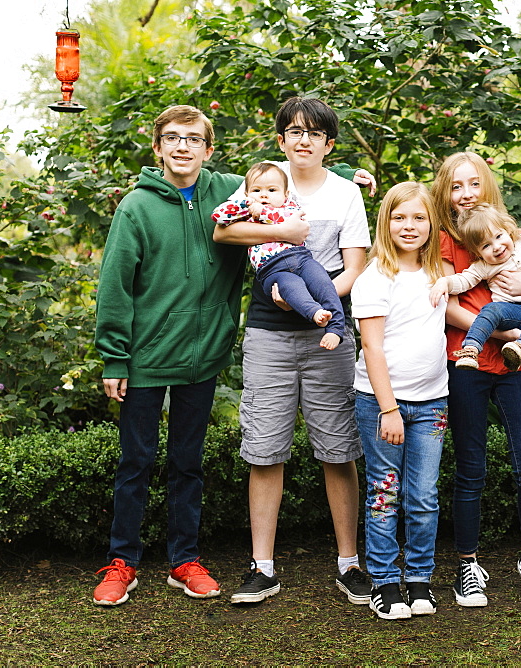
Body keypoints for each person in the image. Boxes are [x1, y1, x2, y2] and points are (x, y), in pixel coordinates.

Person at [92, 105, 279, 606]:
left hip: (204, 355)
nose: (182, 146)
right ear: (157, 148)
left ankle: (184, 560)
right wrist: (114, 357)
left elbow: (284, 181)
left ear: (208, 149)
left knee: (187, 462)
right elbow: (115, 285)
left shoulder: (229, 193)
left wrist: (348, 173)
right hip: (145, 358)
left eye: (193, 139)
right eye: (172, 138)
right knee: (136, 462)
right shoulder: (136, 206)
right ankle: (122, 562)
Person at [212, 97, 373, 605]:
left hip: (327, 329)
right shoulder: (261, 179)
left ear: (329, 144)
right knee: (264, 449)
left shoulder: (347, 193)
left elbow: (355, 267)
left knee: (339, 447)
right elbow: (223, 228)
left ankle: (350, 562)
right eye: (294, 131)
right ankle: (262, 566)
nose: (304, 140)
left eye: (315, 133)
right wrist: (281, 232)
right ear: (280, 139)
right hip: (266, 332)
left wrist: (314, 303)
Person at [431, 151, 521, 607]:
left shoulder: (513, 237)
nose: (466, 194)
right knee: (471, 468)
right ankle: (467, 565)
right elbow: (448, 303)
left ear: (487, 187)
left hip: (517, 365)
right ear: (444, 193)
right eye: (456, 186)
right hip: (468, 361)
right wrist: (507, 331)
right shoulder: (443, 241)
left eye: (473, 184)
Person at [352, 182, 448, 620]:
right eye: (399, 217)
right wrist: (389, 408)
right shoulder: (375, 277)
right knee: (384, 493)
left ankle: (419, 579)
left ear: (432, 224)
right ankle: (385, 583)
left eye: (418, 218)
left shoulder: (438, 274)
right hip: (382, 404)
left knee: (424, 496)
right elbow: (372, 348)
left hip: (432, 403)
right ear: (384, 222)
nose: (409, 226)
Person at [212, 161, 345, 350]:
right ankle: (315, 313)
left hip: (301, 258)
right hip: (271, 270)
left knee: (322, 283)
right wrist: (244, 204)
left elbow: (288, 221)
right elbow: (218, 216)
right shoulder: (244, 213)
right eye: (257, 190)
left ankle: (335, 328)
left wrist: (263, 212)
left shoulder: (290, 207)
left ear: (286, 194)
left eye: (272, 190)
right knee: (291, 287)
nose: (264, 195)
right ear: (247, 193)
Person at [428, 203, 521, 371]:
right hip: (508, 309)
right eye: (485, 246)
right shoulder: (484, 265)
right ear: (477, 253)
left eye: (498, 236)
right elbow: (464, 280)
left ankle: (520, 349)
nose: (496, 247)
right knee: (490, 311)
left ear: (507, 229)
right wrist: (445, 282)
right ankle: (471, 349)